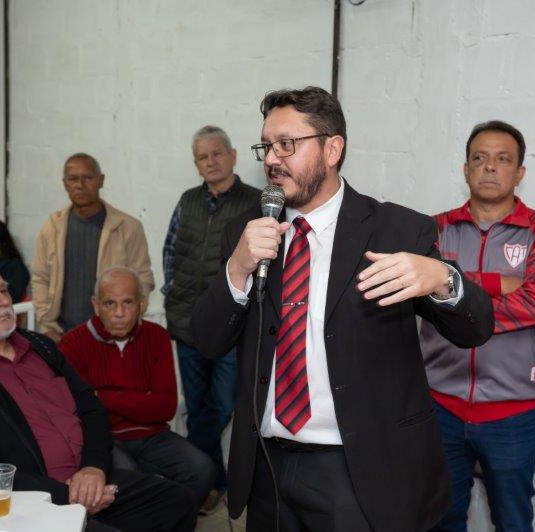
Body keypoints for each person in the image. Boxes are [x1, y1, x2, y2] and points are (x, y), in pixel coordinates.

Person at [191, 86, 494, 531]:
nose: (272, 159)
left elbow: (475, 329)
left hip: (357, 470)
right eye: (266, 146)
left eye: (287, 144)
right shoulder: (248, 230)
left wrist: (443, 279)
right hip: (267, 466)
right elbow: (207, 339)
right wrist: (237, 268)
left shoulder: (396, 229)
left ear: (332, 149)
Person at [0, 262, 196, 531]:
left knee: (177, 501)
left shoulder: (39, 347)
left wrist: (93, 468)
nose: (4, 301)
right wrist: (65, 494)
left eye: (4, 290)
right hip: (25, 504)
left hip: (88, 478)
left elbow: (91, 409)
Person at [420, 121, 535, 532]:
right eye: (479, 158)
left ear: (519, 173)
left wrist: (449, 286)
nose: (489, 167)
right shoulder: (431, 229)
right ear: (466, 169)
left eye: (503, 159)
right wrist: (499, 283)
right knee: (442, 518)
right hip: (441, 405)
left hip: (511, 412)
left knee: (513, 521)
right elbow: (420, 297)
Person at [162, 125, 261, 512]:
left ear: (233, 156)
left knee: (219, 407)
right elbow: (170, 251)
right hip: (187, 324)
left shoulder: (254, 203)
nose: (211, 161)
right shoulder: (187, 200)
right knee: (197, 404)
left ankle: (193, 472)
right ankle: (212, 482)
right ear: (196, 164)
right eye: (202, 157)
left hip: (232, 327)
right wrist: (173, 293)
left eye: (217, 153)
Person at [59, 266, 215, 508]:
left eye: (128, 302)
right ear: (96, 305)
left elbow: (165, 407)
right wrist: (140, 399)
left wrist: (102, 396)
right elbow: (80, 410)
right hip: (103, 438)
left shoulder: (157, 337)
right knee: (129, 482)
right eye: (110, 303)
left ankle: (172, 519)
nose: (119, 313)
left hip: (153, 436)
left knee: (202, 469)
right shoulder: (71, 344)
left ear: (142, 304)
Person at [31, 153, 154, 342]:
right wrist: (46, 325)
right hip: (63, 336)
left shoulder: (128, 227)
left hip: (112, 337)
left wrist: (125, 323)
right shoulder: (52, 227)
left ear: (101, 180)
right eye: (73, 179)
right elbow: (40, 277)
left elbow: (142, 280)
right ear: (65, 184)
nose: (80, 185)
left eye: (88, 177)